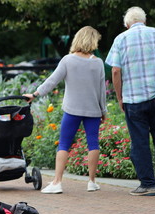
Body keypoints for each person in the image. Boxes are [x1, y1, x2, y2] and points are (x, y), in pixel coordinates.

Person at [24, 26, 107, 194]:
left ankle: (57, 182)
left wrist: (35, 93)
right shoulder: (97, 63)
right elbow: (101, 90)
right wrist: (103, 111)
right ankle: (91, 182)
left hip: (72, 109)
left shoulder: (68, 60)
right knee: (93, 143)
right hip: (93, 110)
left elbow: (52, 80)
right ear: (92, 41)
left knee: (64, 143)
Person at [106, 7, 155, 196]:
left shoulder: (121, 39)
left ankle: (148, 184)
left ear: (127, 24)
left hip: (134, 99)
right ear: (144, 20)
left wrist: (120, 97)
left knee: (140, 142)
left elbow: (115, 71)